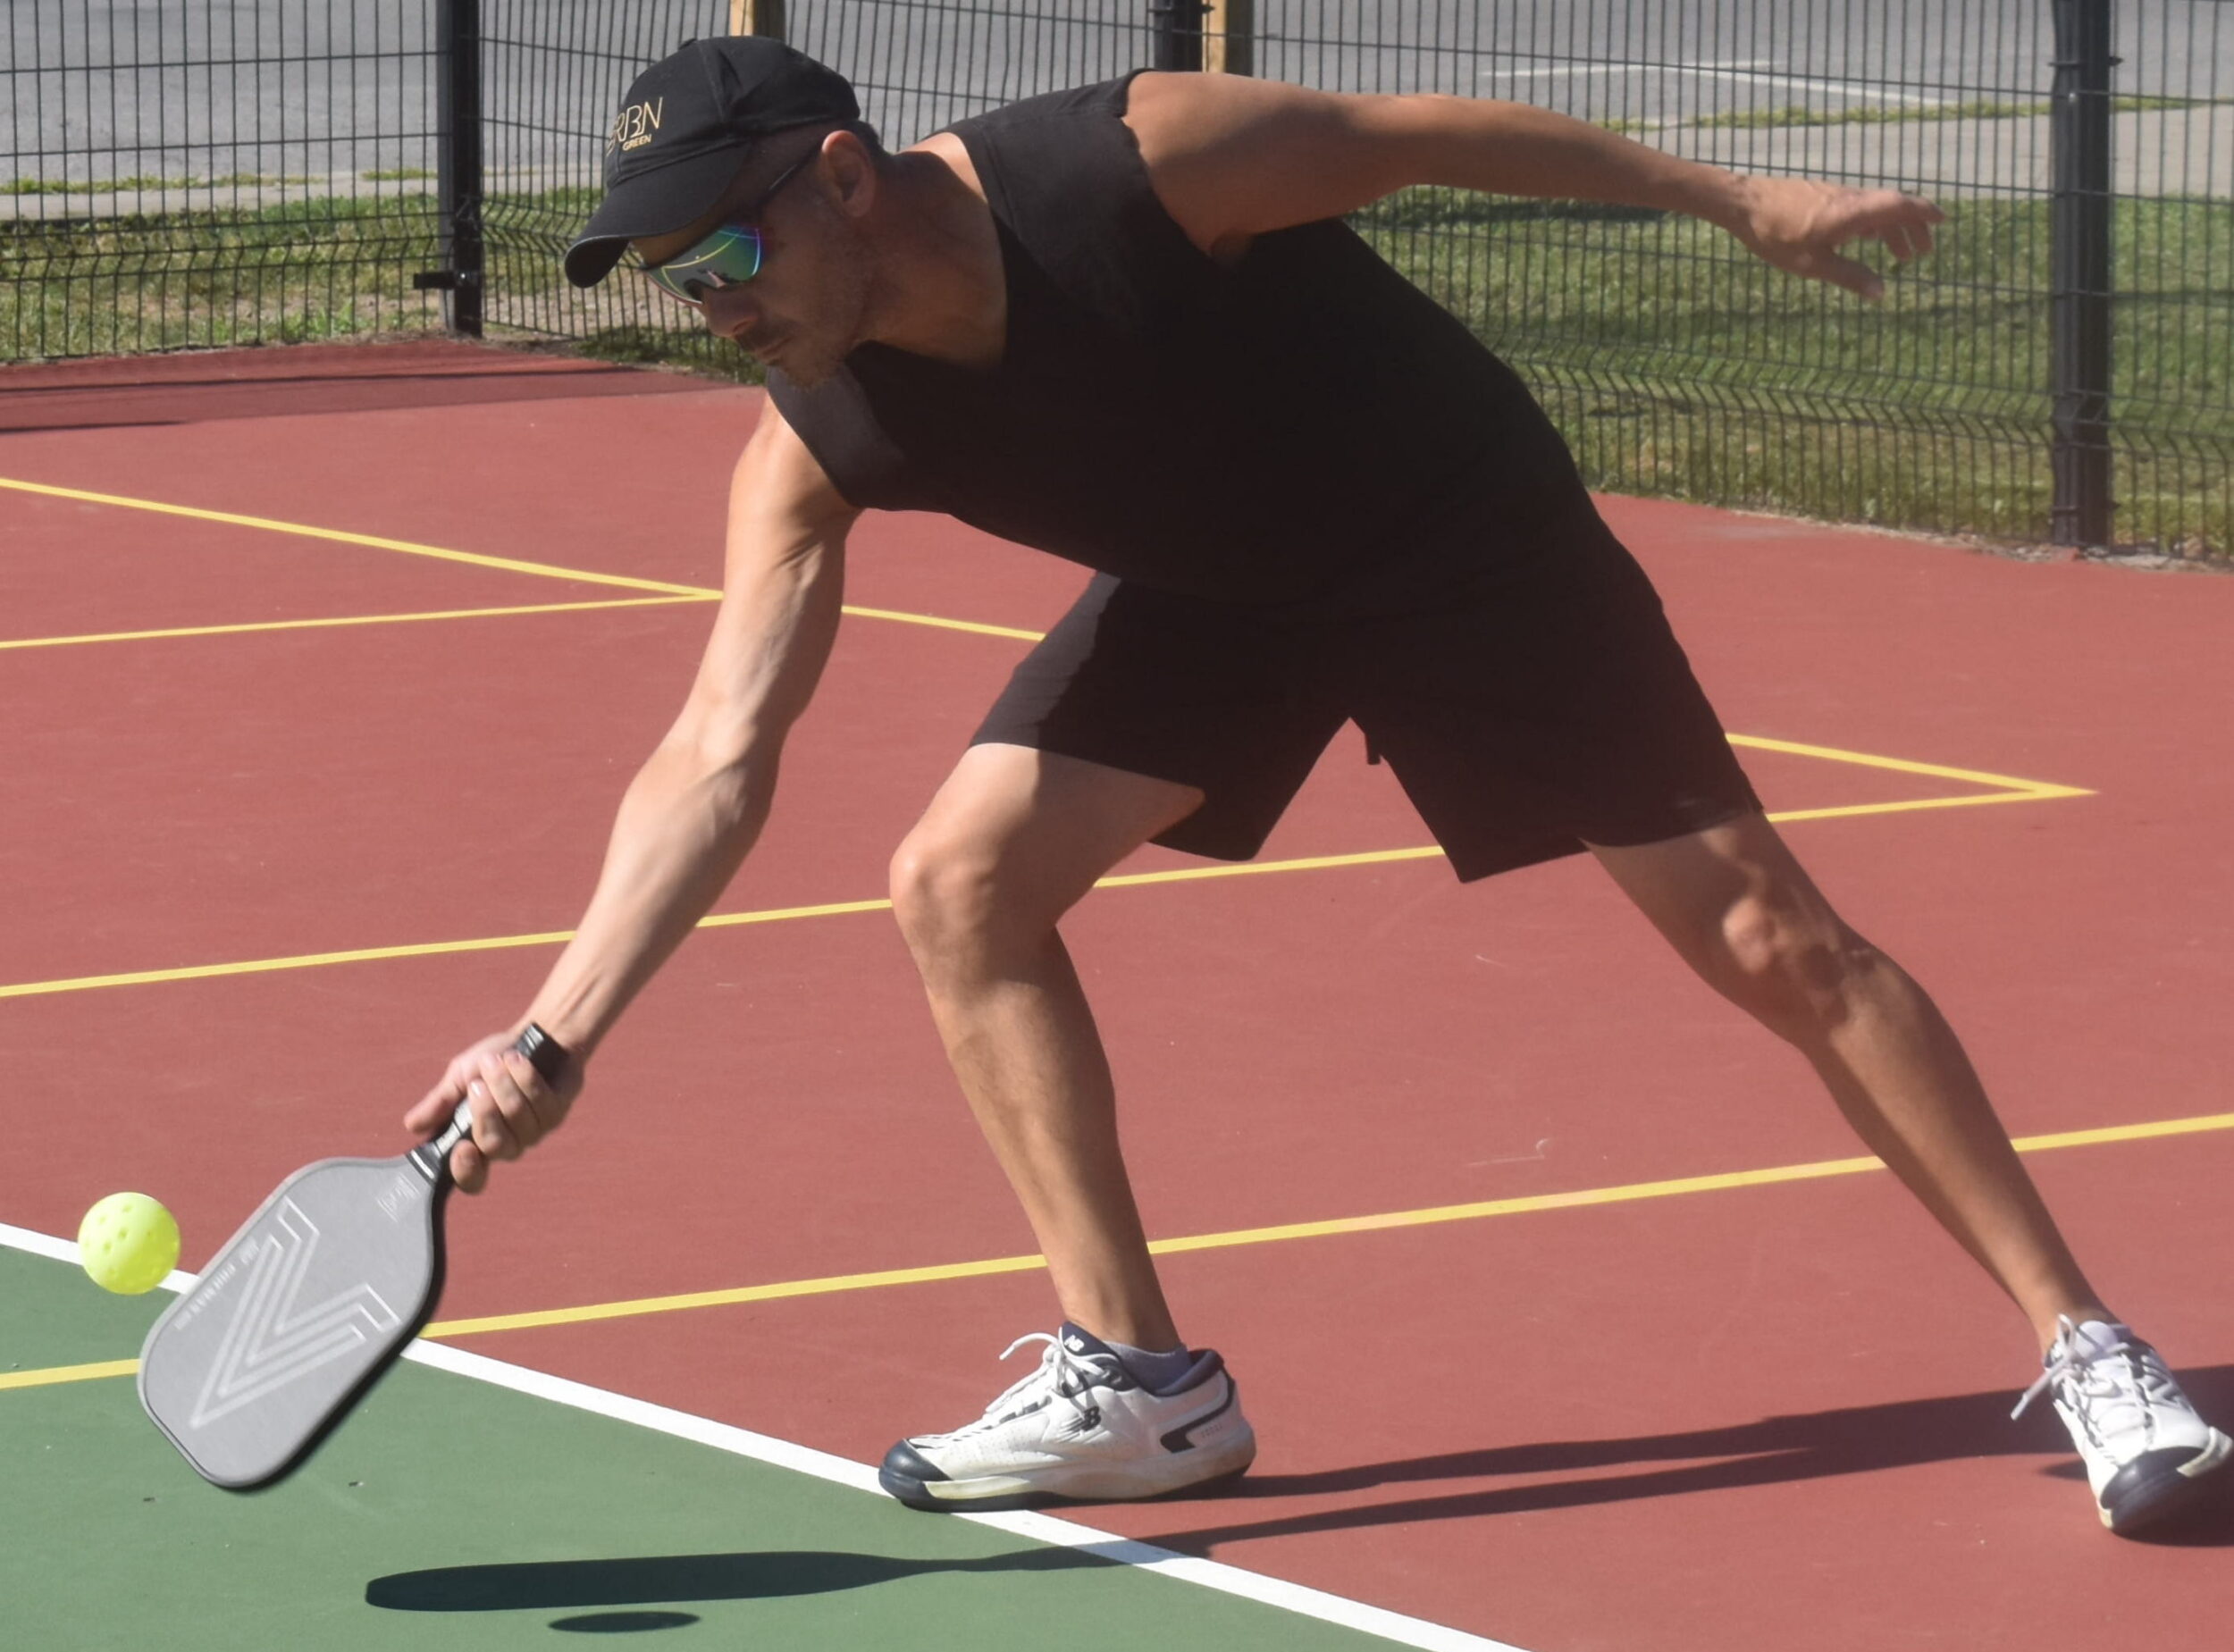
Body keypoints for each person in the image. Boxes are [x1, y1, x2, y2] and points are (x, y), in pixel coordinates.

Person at [407, 36, 2228, 1535]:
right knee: (958, 881)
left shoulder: (1135, 167)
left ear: (838, 174)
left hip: (1451, 535)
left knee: (1765, 934)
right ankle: (1140, 1383)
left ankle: (2082, 1344)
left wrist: (1738, 196)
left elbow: (1422, 139)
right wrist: (550, 1036)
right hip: (1223, 588)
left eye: (722, 254)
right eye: (671, 280)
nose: (708, 304)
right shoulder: (823, 433)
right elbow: (718, 750)